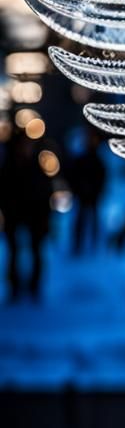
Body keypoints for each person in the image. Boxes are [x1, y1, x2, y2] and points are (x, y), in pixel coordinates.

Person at [0, 129, 52, 302]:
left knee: (35, 251)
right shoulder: (9, 168)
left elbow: (45, 192)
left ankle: (33, 287)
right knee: (14, 252)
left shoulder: (36, 167)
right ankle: (15, 287)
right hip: (15, 215)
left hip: (34, 216)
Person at [65, 128, 108, 255]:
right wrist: (78, 190)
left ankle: (94, 245)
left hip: (93, 197)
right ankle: (78, 245)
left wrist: (97, 192)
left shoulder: (98, 160)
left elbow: (102, 178)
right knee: (80, 221)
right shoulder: (81, 159)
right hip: (82, 196)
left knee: (93, 220)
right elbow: (73, 176)